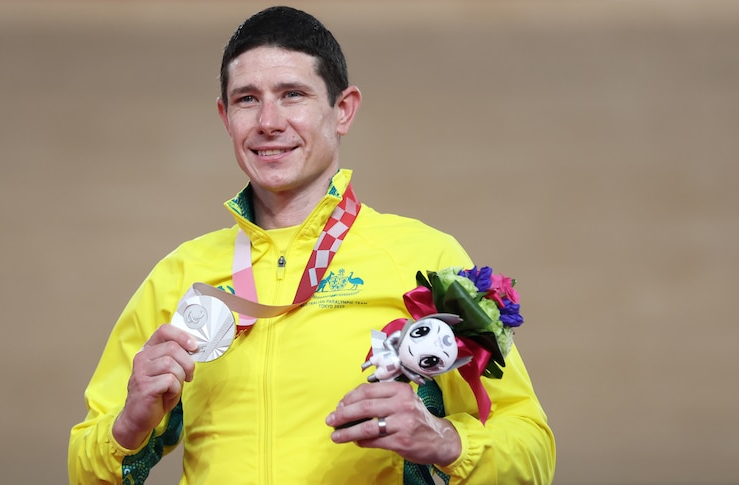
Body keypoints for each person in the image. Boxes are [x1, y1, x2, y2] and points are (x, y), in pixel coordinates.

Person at [68, 6, 556, 484]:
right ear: (225, 117)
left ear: (343, 111)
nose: (269, 122)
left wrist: (446, 440)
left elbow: (532, 450)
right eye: (246, 99)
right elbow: (85, 469)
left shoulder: (425, 260)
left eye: (292, 94)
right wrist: (128, 427)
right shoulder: (179, 275)